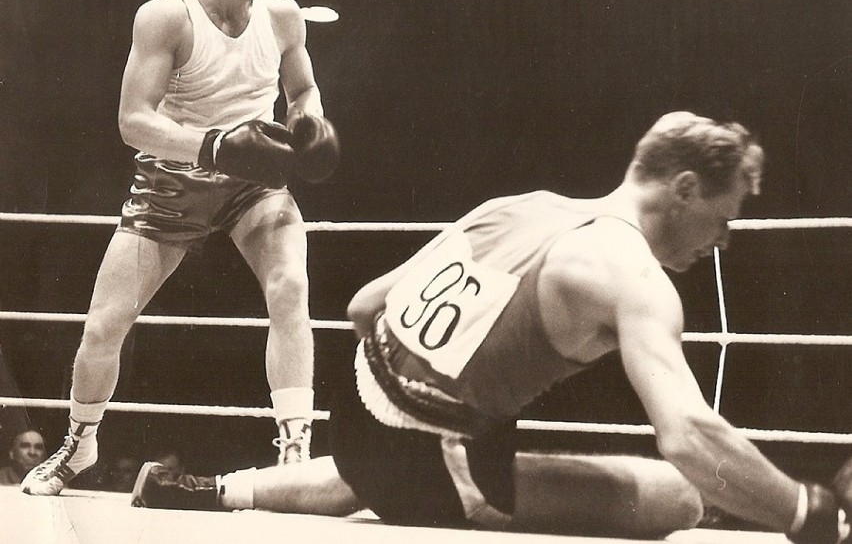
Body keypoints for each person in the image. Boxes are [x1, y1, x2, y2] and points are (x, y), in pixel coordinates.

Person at [131, 112, 849, 542]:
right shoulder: (635, 278)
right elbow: (688, 435)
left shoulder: (525, 203)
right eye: (723, 220)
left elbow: (362, 306)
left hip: (355, 408)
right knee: (680, 493)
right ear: (685, 189)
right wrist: (803, 508)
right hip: (421, 457)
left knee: (417, 434)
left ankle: (208, 486)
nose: (721, 242)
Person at [22, 0, 340, 497]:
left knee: (291, 286)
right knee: (104, 325)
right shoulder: (166, 16)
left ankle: (294, 447)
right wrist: (215, 146)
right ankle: (79, 443)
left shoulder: (282, 16)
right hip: (175, 179)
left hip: (253, 184)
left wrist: (309, 125)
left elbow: (302, 90)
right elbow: (132, 121)